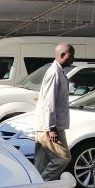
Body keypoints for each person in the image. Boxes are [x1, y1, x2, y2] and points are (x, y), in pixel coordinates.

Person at [33, 43, 75, 181]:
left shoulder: (59, 71)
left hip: (44, 127)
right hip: (49, 128)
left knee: (41, 166)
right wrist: (51, 127)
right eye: (71, 54)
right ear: (63, 55)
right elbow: (49, 102)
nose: (73, 58)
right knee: (63, 158)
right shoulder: (54, 72)